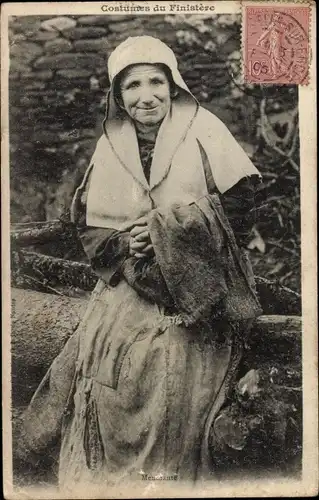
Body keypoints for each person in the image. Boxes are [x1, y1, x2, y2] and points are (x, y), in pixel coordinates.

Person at [18, 36, 262, 489]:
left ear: (174, 87)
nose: (145, 95)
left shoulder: (205, 128)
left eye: (156, 82)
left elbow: (241, 209)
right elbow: (90, 225)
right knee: (103, 363)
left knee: (166, 365)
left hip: (198, 284)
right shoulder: (111, 143)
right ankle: (106, 482)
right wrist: (126, 242)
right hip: (130, 278)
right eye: (132, 85)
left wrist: (168, 232)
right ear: (118, 94)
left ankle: (167, 479)